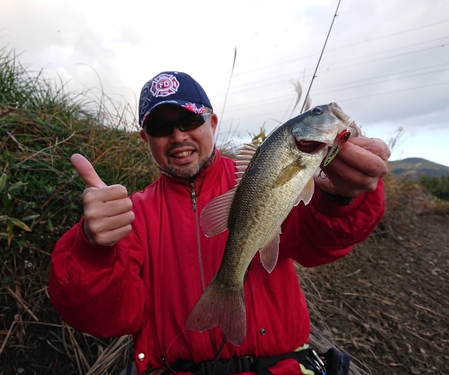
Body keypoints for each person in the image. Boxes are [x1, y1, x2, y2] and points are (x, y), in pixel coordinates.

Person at [49, 71, 390, 375]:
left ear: (212, 124)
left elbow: (318, 242)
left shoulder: (254, 176)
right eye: (160, 127)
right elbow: (106, 318)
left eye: (189, 121)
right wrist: (91, 251)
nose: (178, 136)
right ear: (145, 139)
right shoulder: (130, 215)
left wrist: (341, 199)